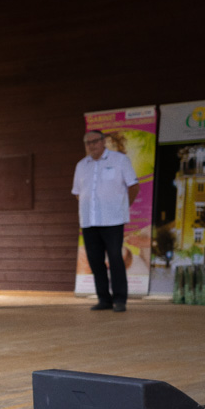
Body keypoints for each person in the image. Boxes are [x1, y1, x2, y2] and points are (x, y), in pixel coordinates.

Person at [72, 130, 139, 313]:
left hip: (113, 220)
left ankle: (119, 299)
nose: (91, 145)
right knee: (95, 260)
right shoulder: (81, 165)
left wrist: (122, 207)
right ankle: (104, 299)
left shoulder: (119, 160)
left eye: (94, 141)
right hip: (89, 221)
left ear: (103, 142)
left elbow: (133, 186)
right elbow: (78, 193)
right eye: (87, 142)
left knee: (116, 258)